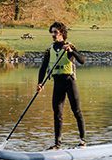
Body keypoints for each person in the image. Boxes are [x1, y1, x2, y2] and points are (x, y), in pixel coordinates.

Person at [37, 22, 86, 150]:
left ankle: (82, 141)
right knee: (57, 113)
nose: (53, 35)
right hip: (57, 83)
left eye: (55, 32)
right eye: (51, 32)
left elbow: (82, 60)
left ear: (62, 33)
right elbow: (43, 68)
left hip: (69, 81)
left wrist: (71, 51)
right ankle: (57, 144)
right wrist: (40, 83)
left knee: (77, 111)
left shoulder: (70, 46)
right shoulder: (49, 50)